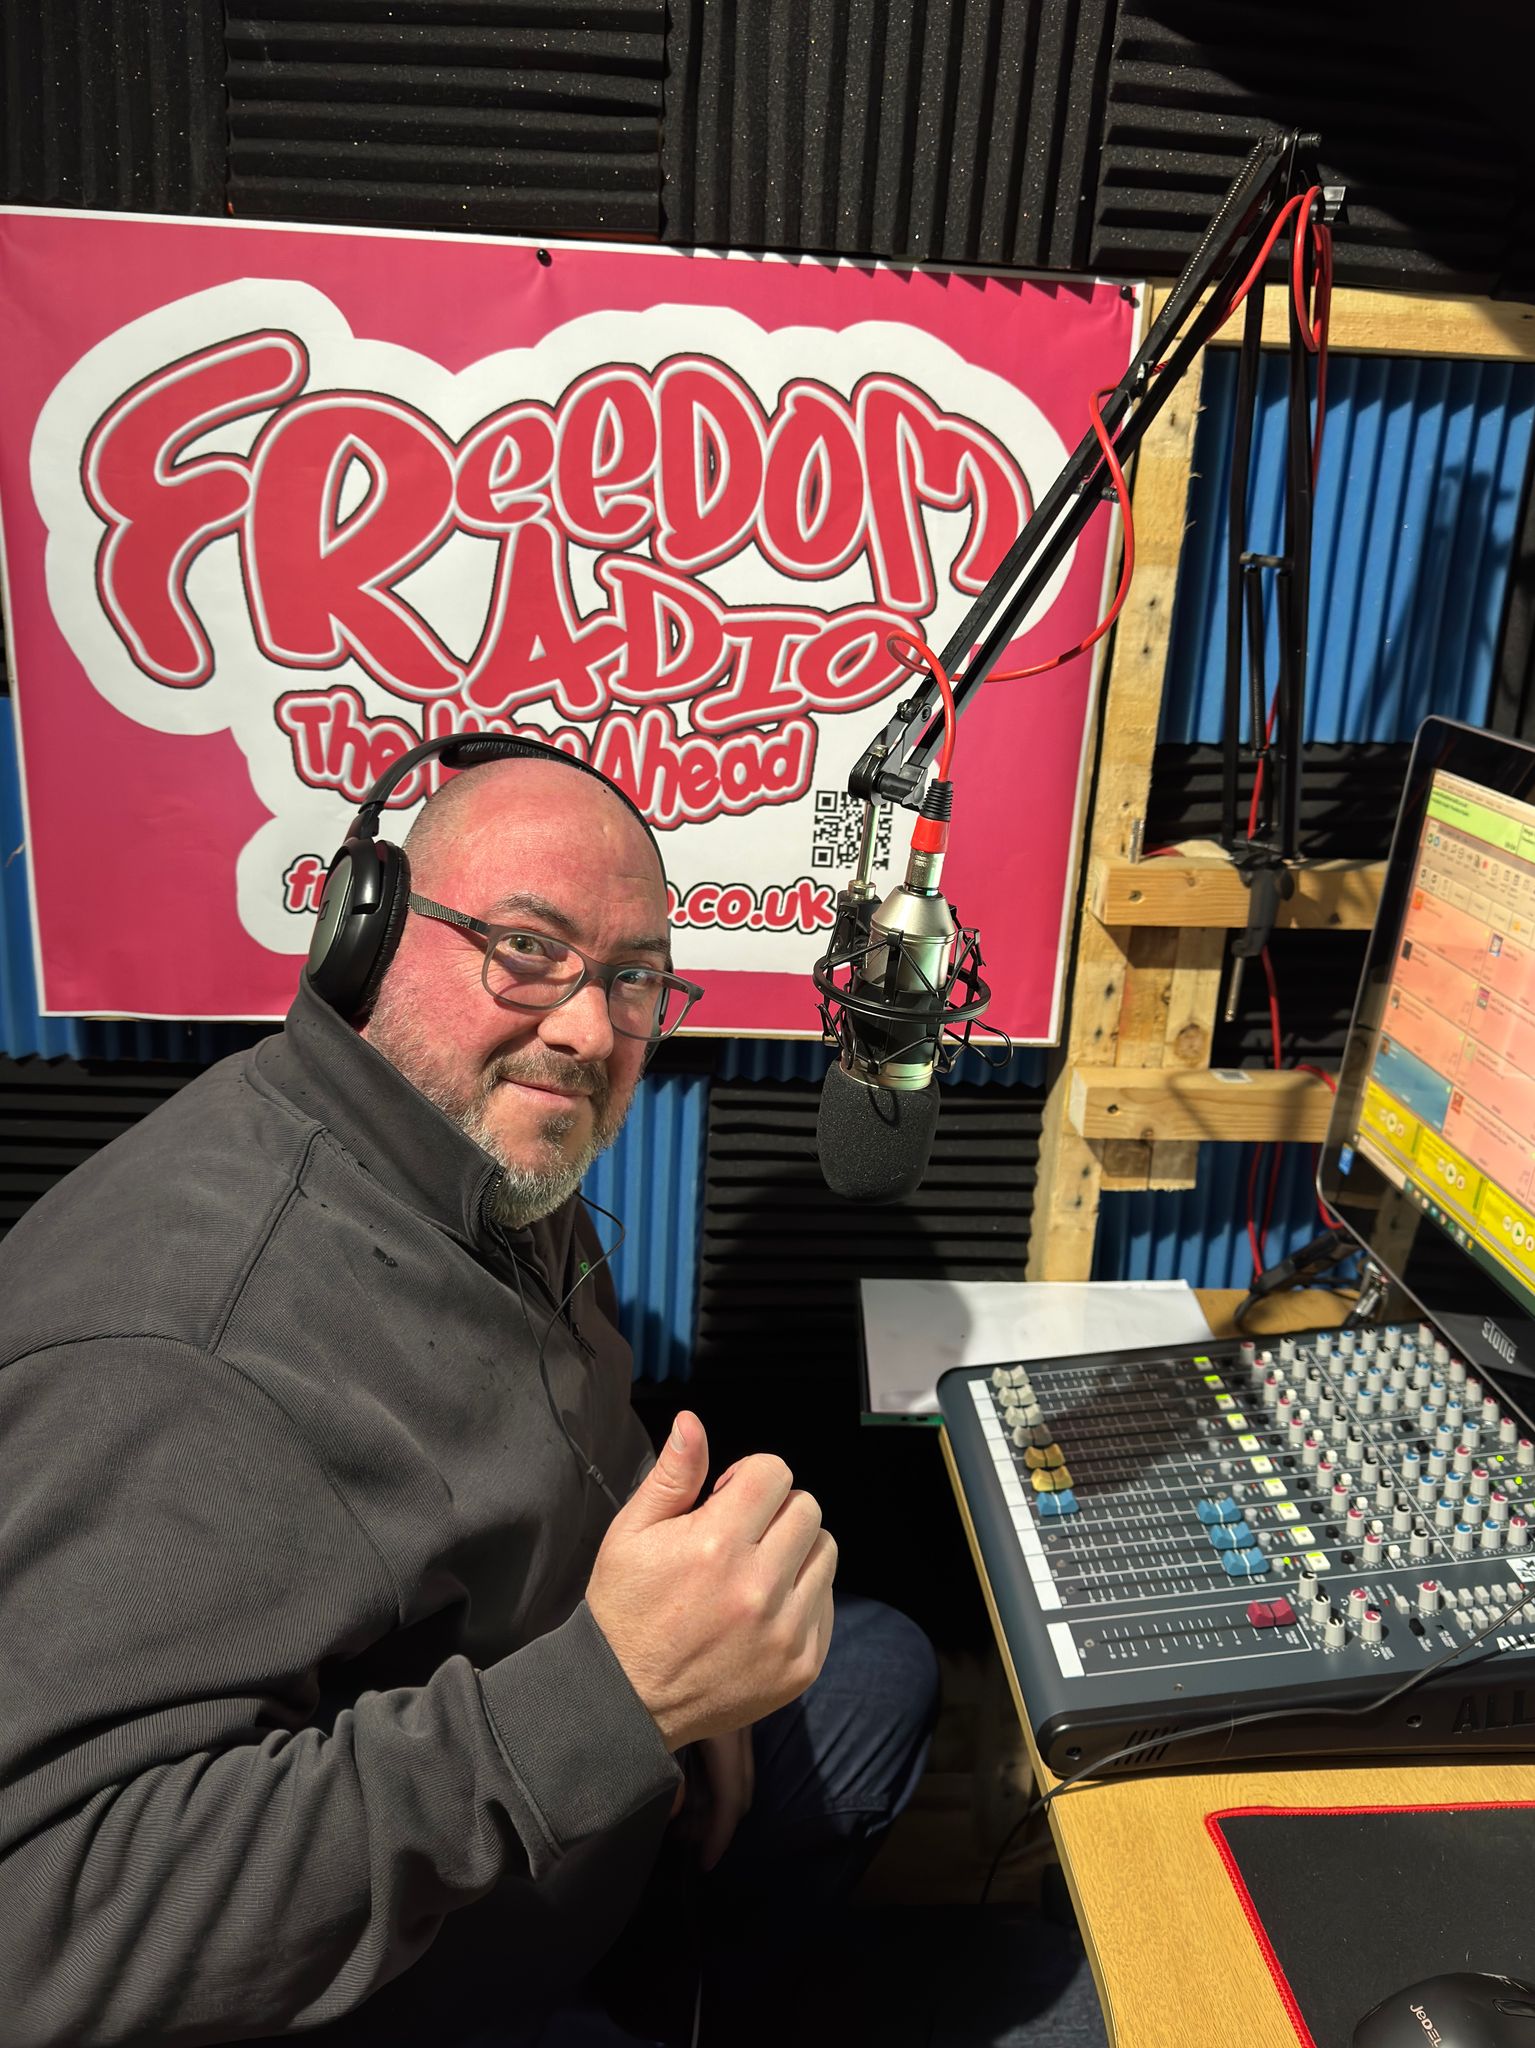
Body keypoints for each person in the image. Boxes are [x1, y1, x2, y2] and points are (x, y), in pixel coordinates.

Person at [0, 748, 939, 2048]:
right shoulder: (191, 1346)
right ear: (364, 932)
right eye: (525, 950)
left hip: (589, 1790)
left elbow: (566, 1441)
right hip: (431, 1970)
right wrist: (621, 1700)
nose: (590, 1031)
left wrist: (680, 1664)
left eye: (634, 978)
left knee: (873, 1667)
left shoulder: (486, 1161)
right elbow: (52, 1929)